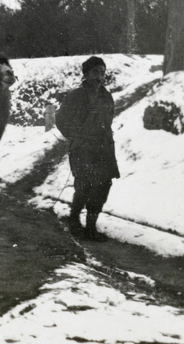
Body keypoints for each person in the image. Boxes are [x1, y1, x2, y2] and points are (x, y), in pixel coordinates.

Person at [56, 56, 120, 241]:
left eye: (102, 73)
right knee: (84, 186)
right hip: (83, 148)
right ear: (85, 74)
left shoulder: (106, 96)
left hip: (104, 148)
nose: (99, 77)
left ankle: (91, 226)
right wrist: (75, 136)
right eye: (94, 72)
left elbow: (108, 120)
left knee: (102, 186)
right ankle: (74, 220)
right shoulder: (75, 96)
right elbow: (60, 119)